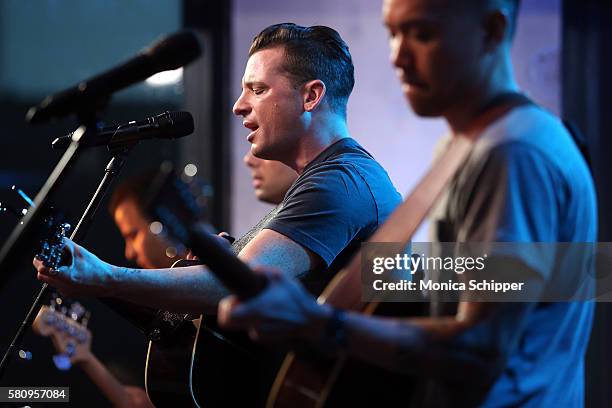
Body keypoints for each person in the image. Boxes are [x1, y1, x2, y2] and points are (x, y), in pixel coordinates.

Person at [218, 1, 597, 406]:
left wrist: (316, 321)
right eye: (393, 33)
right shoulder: (464, 145)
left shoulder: (513, 152)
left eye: (422, 33)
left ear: (490, 31)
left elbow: (480, 347)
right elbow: (486, 286)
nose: (398, 55)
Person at [34, 24, 401, 318]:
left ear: (310, 96)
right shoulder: (334, 178)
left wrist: (105, 276)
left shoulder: (339, 182)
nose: (238, 106)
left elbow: (237, 286)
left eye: (257, 90)